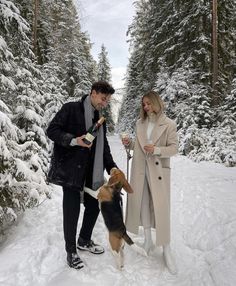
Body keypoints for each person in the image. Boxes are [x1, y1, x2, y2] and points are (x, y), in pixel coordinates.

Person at [47, 81, 118, 270]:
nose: (105, 103)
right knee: (71, 211)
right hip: (71, 170)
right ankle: (71, 251)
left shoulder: (100, 118)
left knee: (94, 206)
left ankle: (84, 240)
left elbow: (105, 147)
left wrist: (112, 167)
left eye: (107, 100)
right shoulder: (71, 109)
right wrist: (73, 140)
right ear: (93, 93)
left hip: (92, 173)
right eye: (103, 99)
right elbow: (52, 130)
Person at [121, 90, 178, 274]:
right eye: (144, 104)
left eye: (149, 103)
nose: (146, 107)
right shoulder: (140, 123)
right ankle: (147, 240)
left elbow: (174, 148)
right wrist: (129, 143)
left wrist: (157, 150)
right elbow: (138, 147)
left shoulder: (169, 124)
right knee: (143, 204)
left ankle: (166, 249)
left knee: (161, 209)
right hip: (140, 170)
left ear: (156, 102)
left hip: (158, 171)